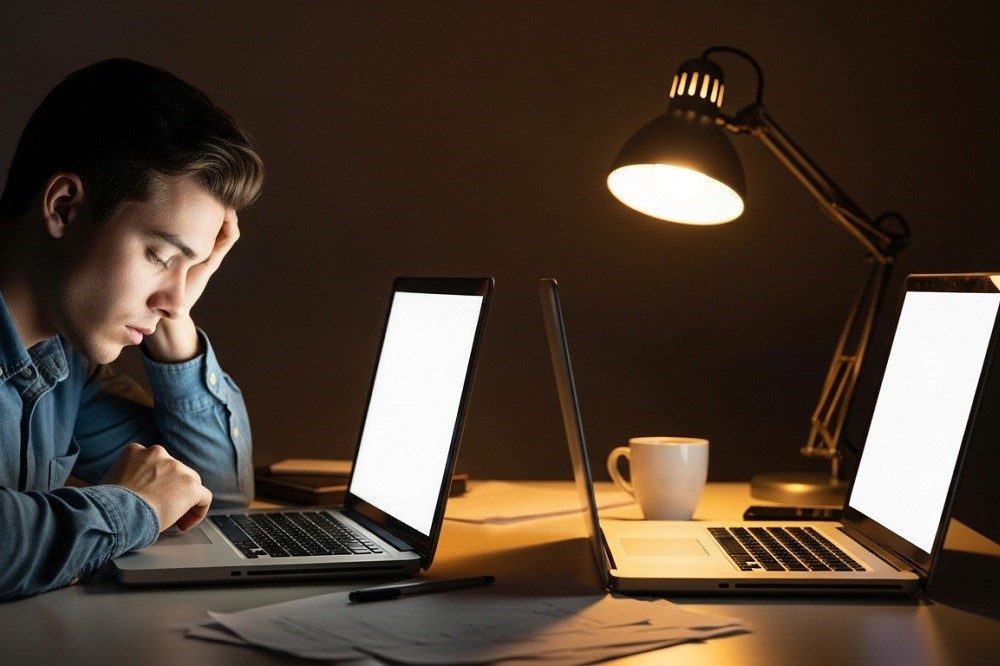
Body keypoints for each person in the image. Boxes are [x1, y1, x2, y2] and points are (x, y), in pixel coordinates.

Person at [0, 59, 264, 601]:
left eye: (191, 269)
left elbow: (214, 496)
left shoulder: (64, 363)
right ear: (64, 207)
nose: (172, 297)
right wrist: (133, 506)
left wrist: (177, 309)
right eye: (160, 255)